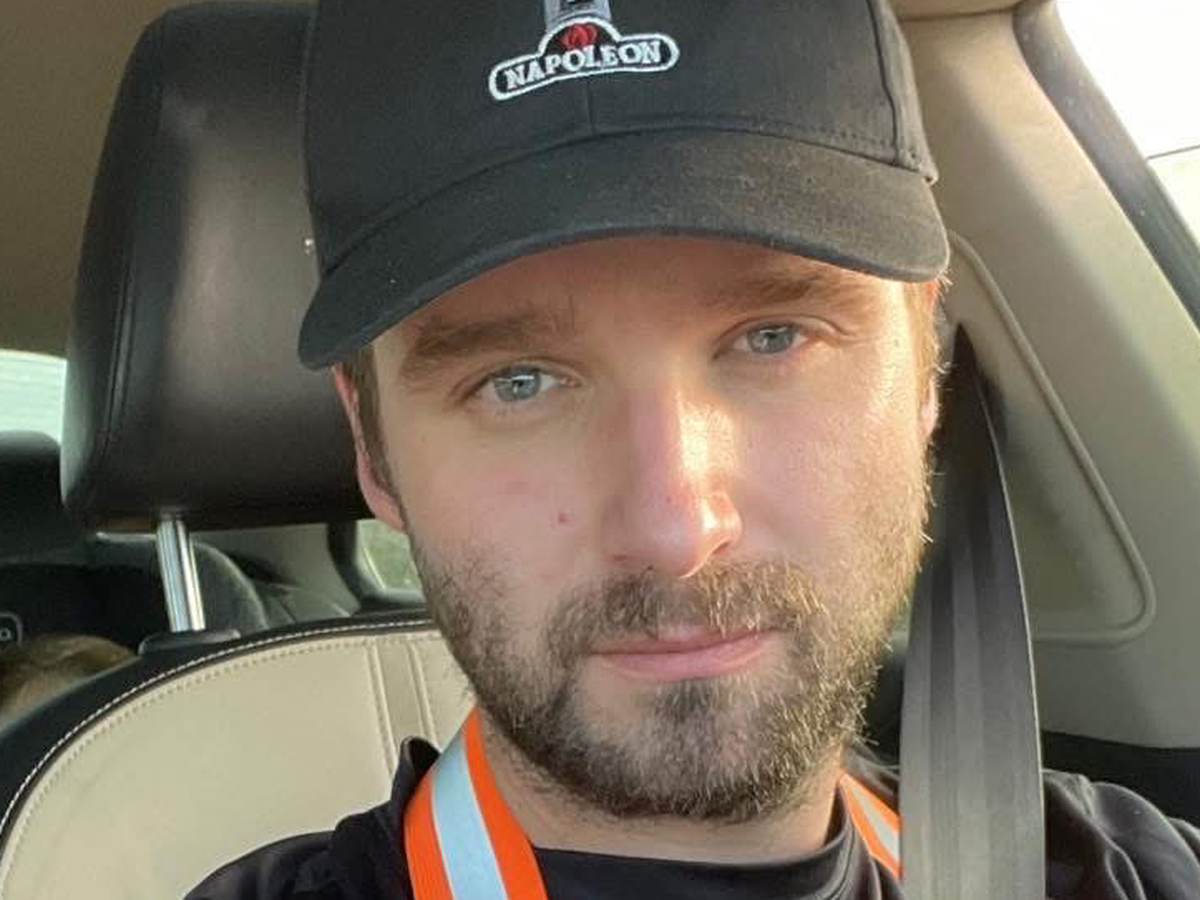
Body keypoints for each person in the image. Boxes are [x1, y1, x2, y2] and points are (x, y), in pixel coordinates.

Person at [189, 0, 1200, 897]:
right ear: (373, 450)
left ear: (926, 367)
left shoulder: (1128, 870)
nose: (677, 529)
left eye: (775, 338)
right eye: (517, 382)